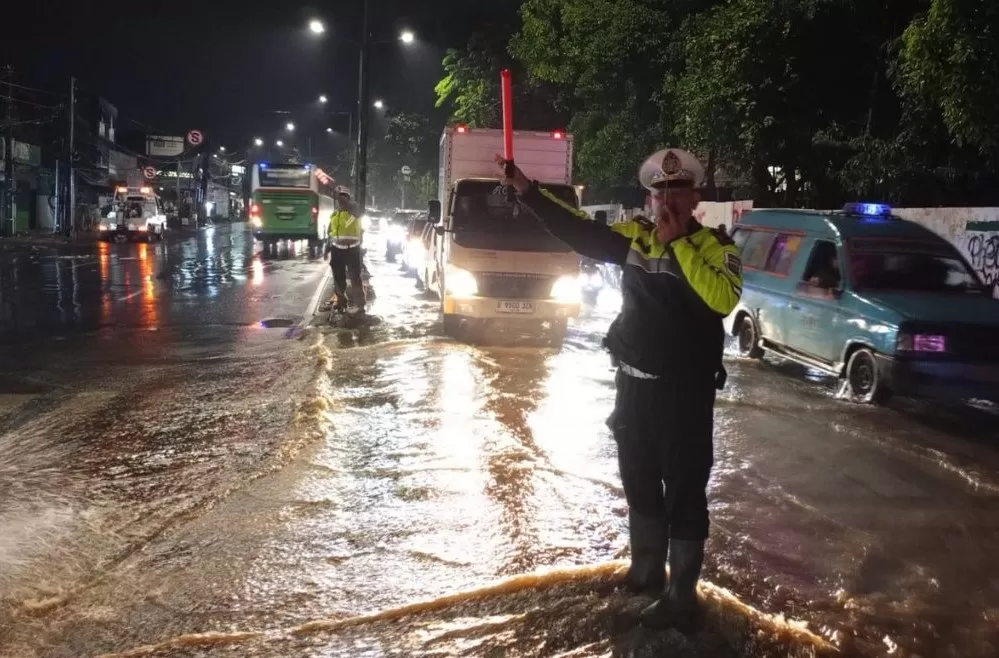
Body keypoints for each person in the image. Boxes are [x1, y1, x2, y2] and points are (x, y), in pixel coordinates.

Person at [498, 149, 743, 634]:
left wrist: (679, 246)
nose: (667, 201)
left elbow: (721, 300)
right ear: (648, 199)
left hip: (685, 396)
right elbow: (577, 231)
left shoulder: (717, 248)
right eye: (659, 193)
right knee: (639, 482)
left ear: (695, 198)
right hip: (633, 388)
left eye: (677, 192)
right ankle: (647, 572)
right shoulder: (635, 238)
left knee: (685, 494)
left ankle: (680, 597)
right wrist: (528, 191)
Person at [326, 186, 365, 313]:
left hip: (352, 249)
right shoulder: (335, 214)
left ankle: (360, 305)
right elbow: (330, 232)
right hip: (337, 249)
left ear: (347, 197)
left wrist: (342, 200)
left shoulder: (353, 209)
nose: (340, 200)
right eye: (339, 197)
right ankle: (341, 302)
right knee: (338, 278)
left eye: (343, 196)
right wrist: (327, 248)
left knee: (355, 278)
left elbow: (357, 211)